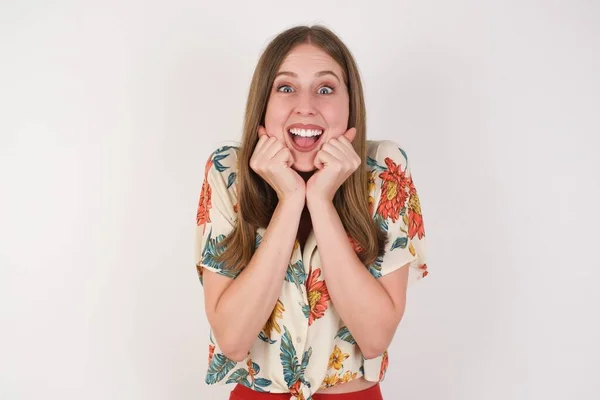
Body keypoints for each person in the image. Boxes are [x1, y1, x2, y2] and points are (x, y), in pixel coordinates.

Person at [194, 25, 428, 400]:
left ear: (350, 103)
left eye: (325, 89)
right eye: (285, 88)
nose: (306, 106)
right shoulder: (227, 171)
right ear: (263, 104)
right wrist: (290, 201)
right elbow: (232, 341)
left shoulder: (385, 169)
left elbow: (374, 339)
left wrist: (320, 201)